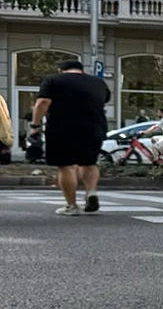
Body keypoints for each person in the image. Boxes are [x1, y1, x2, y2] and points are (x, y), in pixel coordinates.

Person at [31, 60, 110, 215]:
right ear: (82, 70)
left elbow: (43, 102)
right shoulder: (98, 82)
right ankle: (91, 192)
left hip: (62, 128)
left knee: (66, 166)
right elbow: (104, 100)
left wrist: (35, 124)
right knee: (89, 163)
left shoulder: (53, 80)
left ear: (61, 70)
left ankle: (72, 206)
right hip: (94, 128)